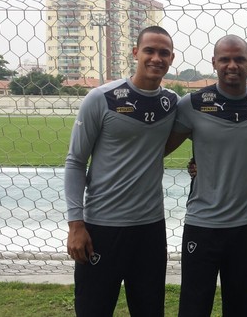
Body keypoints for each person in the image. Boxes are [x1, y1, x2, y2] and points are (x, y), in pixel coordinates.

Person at [64, 25, 178, 316]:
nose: (156, 58)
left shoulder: (171, 103)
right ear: (135, 52)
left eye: (163, 53)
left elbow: (200, 125)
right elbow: (75, 161)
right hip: (102, 227)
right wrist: (76, 224)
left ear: (172, 58)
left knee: (150, 309)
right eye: (149, 50)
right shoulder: (101, 98)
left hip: (150, 228)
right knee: (94, 309)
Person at [165, 35, 247, 317]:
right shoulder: (192, 103)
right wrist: (199, 162)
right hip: (202, 223)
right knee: (194, 306)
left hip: (245, 224)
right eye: (225, 59)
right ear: (214, 63)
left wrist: (219, 161)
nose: (232, 65)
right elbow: (160, 147)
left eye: (239, 59)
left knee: (240, 307)